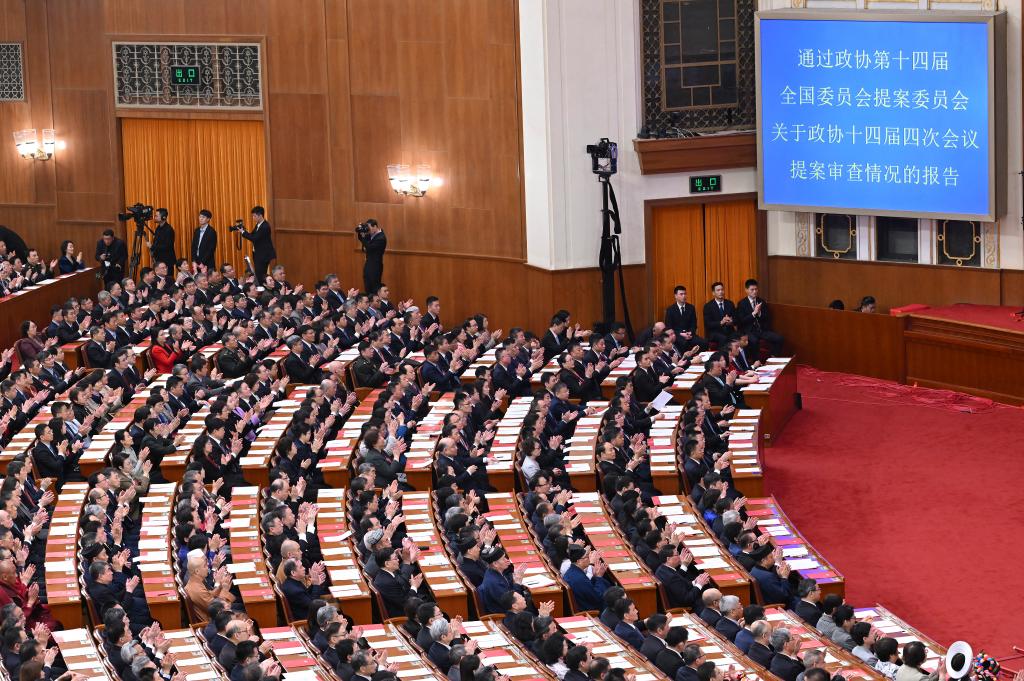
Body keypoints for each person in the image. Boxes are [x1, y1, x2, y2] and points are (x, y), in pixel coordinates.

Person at [735, 279, 784, 356]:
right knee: (754, 341)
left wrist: (760, 313)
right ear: (746, 290)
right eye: (752, 290)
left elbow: (767, 317)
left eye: (756, 289)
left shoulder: (761, 301)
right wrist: (753, 314)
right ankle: (756, 361)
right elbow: (741, 321)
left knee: (779, 338)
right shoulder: (742, 303)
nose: (755, 291)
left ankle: (773, 357)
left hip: (761, 330)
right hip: (749, 331)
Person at [239, 206, 276, 283]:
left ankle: (261, 288)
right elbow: (252, 235)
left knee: (260, 275)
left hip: (263, 255)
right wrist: (244, 230)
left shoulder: (265, 226)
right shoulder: (258, 225)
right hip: (258, 254)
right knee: (258, 273)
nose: (253, 218)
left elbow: (254, 238)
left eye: (254, 216)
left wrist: (243, 232)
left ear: (260, 215)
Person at [664, 286, 705, 352]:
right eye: (681, 294)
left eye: (685, 294)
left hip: (690, 335)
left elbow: (694, 324)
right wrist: (680, 334)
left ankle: (700, 357)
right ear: (675, 296)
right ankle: (687, 358)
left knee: (704, 342)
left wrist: (690, 332)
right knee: (684, 343)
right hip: (677, 335)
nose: (684, 296)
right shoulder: (670, 310)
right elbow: (669, 328)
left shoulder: (691, 308)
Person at [702, 281, 737, 350]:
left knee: (740, 336)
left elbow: (736, 319)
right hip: (714, 332)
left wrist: (731, 321)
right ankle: (722, 356)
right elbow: (708, 324)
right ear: (713, 293)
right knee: (723, 338)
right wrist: (721, 322)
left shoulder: (730, 304)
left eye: (722, 290)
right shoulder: (708, 306)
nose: (721, 292)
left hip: (729, 330)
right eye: (718, 290)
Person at [357, 219, 387, 295]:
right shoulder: (371, 235)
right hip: (368, 264)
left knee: (374, 288)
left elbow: (369, 247)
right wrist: (361, 230)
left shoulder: (381, 238)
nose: (368, 230)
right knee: (367, 286)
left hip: (375, 266)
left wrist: (363, 237)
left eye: (369, 228)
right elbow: (362, 239)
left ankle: (374, 301)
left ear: (375, 226)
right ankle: (368, 301)